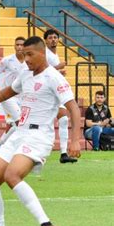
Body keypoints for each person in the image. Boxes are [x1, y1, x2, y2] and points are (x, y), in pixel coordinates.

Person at [0, 36, 81, 226]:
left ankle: (45, 223)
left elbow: (73, 107)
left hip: (39, 136)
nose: (26, 58)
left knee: (12, 174)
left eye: (30, 54)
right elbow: (7, 92)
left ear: (42, 53)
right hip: (20, 132)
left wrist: (75, 140)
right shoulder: (26, 74)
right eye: (23, 54)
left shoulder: (54, 77)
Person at [0, 37, 27, 163]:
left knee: (14, 125)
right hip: (8, 96)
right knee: (19, 122)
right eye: (17, 45)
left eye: (22, 45)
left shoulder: (29, 61)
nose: (20, 47)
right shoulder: (8, 60)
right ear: (14, 46)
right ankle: (9, 153)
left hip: (23, 97)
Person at [44, 29, 77, 163]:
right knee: (46, 122)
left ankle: (64, 153)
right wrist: (58, 67)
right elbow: (43, 70)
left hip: (56, 91)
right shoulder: (45, 54)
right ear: (45, 40)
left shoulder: (54, 54)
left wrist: (59, 72)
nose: (53, 40)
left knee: (63, 120)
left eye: (55, 37)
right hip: (47, 92)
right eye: (50, 38)